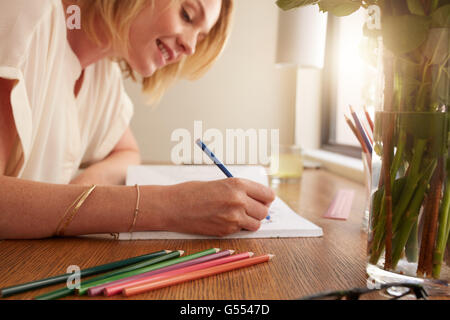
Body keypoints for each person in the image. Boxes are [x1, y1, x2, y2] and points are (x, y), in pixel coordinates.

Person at [0, 0, 275, 239]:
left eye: (200, 37)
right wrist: (168, 207)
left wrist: (87, 187)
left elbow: (128, 152)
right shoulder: (27, 17)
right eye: (187, 15)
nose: (189, 47)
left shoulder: (103, 78)